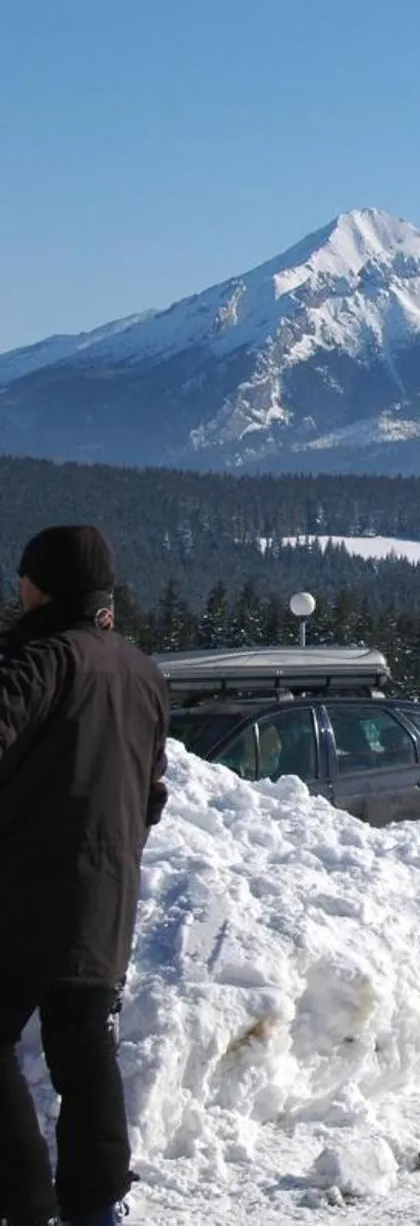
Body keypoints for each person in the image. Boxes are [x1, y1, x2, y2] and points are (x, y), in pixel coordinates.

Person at [0, 525, 170, 1226]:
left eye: (23, 577)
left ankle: (24, 1204)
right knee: (84, 1046)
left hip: (20, 888)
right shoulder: (142, 672)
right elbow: (153, 791)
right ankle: (97, 1205)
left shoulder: (38, 662)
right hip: (106, 892)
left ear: (40, 586)